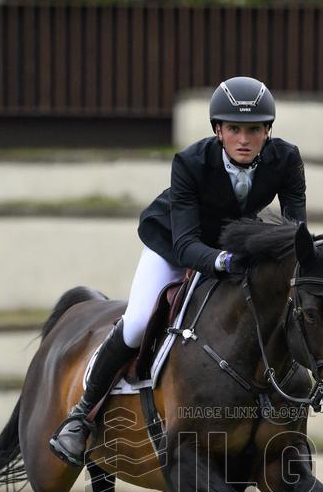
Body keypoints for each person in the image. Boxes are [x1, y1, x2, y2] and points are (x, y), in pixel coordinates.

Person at [49, 75, 307, 468]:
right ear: (218, 130)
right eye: (234, 129)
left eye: (254, 130)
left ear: (267, 131)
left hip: (235, 244)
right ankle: (81, 417)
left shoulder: (286, 160)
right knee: (137, 324)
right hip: (174, 244)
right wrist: (226, 262)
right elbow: (187, 245)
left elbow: (294, 234)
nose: (243, 139)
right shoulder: (190, 163)